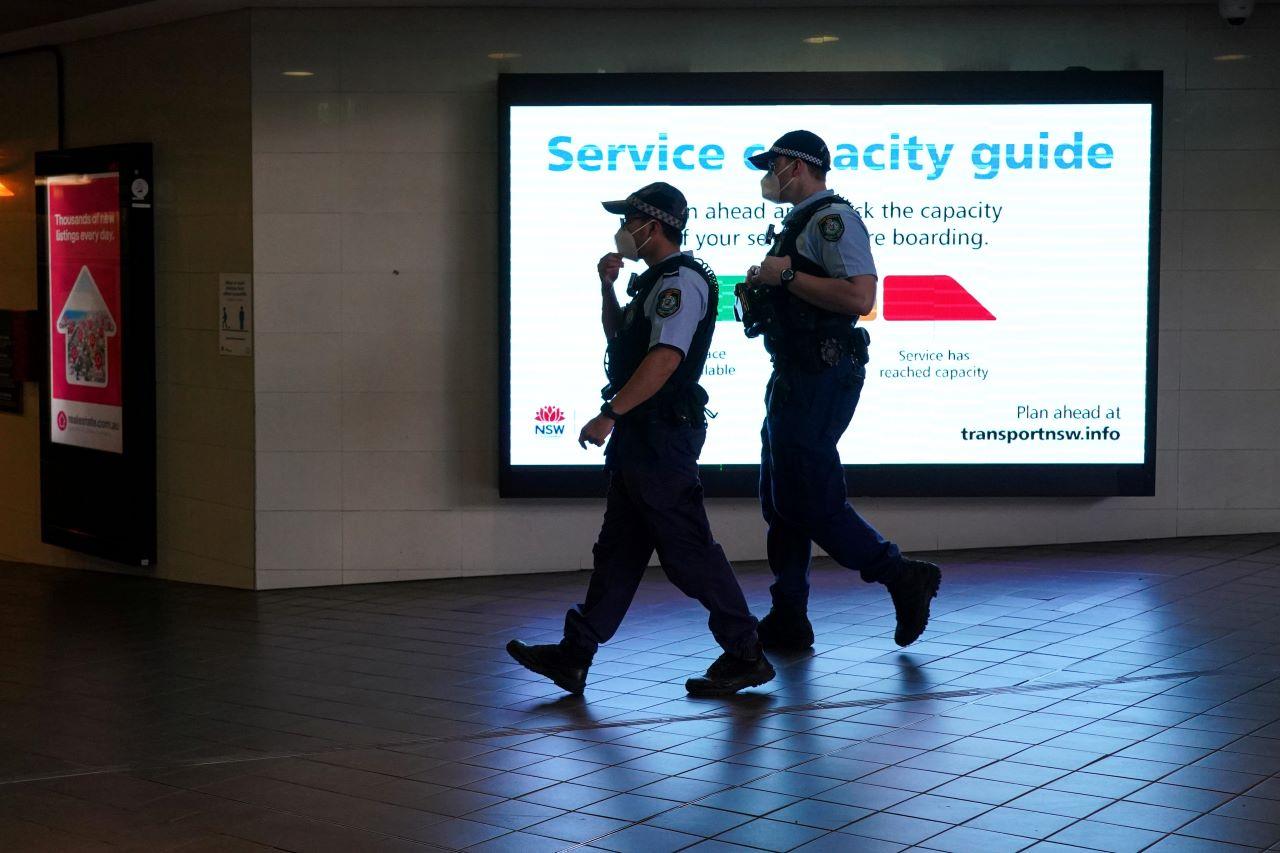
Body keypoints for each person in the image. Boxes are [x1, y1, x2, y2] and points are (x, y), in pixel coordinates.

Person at [507, 182, 775, 698]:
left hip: (660, 436)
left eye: (629, 220)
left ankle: (746, 652)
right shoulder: (651, 283)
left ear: (652, 226)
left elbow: (664, 360)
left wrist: (609, 413)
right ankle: (575, 656)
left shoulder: (681, 283)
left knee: (689, 553)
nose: (623, 230)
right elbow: (622, 343)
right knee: (619, 551)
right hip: (643, 436)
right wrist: (608, 287)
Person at [739, 130, 942, 651]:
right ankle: (789, 616)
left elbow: (860, 295)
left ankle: (901, 575)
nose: (769, 174)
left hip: (820, 372)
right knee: (780, 502)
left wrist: (785, 279)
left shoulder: (833, 219)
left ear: (799, 167)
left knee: (809, 498)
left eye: (774, 164)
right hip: (794, 373)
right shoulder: (799, 224)